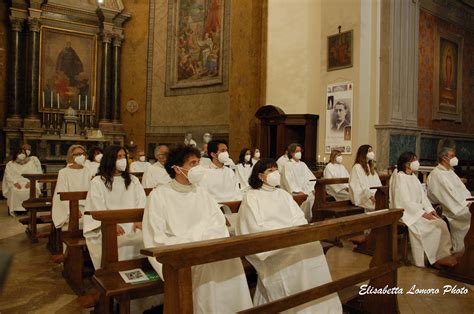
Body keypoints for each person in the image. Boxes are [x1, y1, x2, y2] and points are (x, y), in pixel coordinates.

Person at [142, 145, 252, 313]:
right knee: (205, 268)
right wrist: (195, 242)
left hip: (208, 248)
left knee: (231, 261)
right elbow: (156, 236)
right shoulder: (159, 195)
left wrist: (206, 241)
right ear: (177, 169)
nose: (198, 168)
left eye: (199, 163)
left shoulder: (202, 192)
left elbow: (218, 223)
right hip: (180, 254)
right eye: (193, 164)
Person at [236, 158, 342, 313]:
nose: (275, 174)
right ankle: (296, 306)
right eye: (270, 171)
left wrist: (295, 234)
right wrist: (282, 237)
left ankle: (318, 305)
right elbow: (253, 226)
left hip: (292, 238)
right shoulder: (252, 197)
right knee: (296, 254)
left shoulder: (283, 194)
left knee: (312, 247)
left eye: (276, 170)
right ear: (260, 176)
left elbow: (298, 217)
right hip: (271, 246)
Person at [83, 145, 146, 270]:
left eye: (124, 156)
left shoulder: (133, 180)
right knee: (117, 241)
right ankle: (114, 273)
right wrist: (111, 224)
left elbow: (142, 202)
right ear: (110, 159)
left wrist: (139, 220)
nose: (122, 160)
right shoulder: (98, 181)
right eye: (119, 157)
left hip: (134, 223)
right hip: (108, 224)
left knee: (147, 237)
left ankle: (141, 271)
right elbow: (97, 206)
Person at [390, 152, 454, 267]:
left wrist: (430, 210)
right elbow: (404, 202)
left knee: (441, 223)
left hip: (418, 212)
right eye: (414, 160)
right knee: (433, 227)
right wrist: (423, 214)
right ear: (407, 164)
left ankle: (442, 256)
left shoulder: (413, 177)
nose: (417, 162)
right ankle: (431, 259)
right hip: (408, 214)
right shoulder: (400, 177)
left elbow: (423, 196)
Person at [427, 147, 472, 253]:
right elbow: (447, 197)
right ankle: (463, 251)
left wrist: (470, 201)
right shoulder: (437, 174)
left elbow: (463, 190)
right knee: (470, 215)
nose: (455, 158)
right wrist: (465, 205)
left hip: (463, 203)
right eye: (452, 156)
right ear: (444, 158)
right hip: (451, 207)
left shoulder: (450, 172)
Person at [52, 145, 93, 231]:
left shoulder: (88, 172)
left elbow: (92, 193)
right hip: (69, 206)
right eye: (77, 154)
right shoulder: (64, 173)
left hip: (87, 206)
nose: (80, 156)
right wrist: (72, 210)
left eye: (82, 154)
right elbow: (61, 194)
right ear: (71, 156)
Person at [281, 143, 316, 221]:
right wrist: (297, 191)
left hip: (306, 190)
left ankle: (309, 220)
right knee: (306, 199)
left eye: (300, 151)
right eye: (297, 151)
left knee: (312, 197)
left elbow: (311, 178)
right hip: (295, 192)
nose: (299, 153)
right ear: (291, 153)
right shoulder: (287, 165)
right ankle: (301, 220)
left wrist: (312, 188)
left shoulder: (303, 164)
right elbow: (288, 181)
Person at [2, 148, 41, 216]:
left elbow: (35, 173)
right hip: (15, 183)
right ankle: (16, 209)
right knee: (14, 191)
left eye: (23, 153)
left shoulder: (30, 163)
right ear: (16, 154)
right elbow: (7, 175)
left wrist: (31, 182)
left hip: (28, 183)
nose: (21, 155)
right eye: (19, 153)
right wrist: (14, 183)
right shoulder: (10, 164)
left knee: (31, 190)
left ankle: (29, 208)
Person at [349, 145, 381, 211]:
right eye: (369, 151)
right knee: (378, 205)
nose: (372, 153)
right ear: (364, 153)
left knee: (383, 202)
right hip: (362, 197)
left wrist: (379, 193)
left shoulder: (370, 166)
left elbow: (377, 183)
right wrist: (370, 195)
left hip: (372, 194)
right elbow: (361, 186)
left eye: (372, 151)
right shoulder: (357, 167)